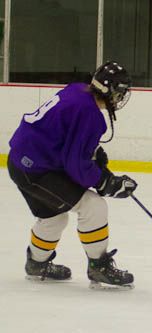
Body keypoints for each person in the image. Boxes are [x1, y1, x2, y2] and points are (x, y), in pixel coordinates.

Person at [7, 61, 138, 288]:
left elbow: (64, 133)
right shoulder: (91, 115)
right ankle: (99, 267)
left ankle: (37, 264)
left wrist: (93, 151)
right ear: (109, 91)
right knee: (93, 206)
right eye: (119, 92)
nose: (120, 98)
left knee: (54, 217)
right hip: (36, 170)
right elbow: (75, 165)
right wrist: (105, 181)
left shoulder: (78, 90)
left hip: (21, 162)